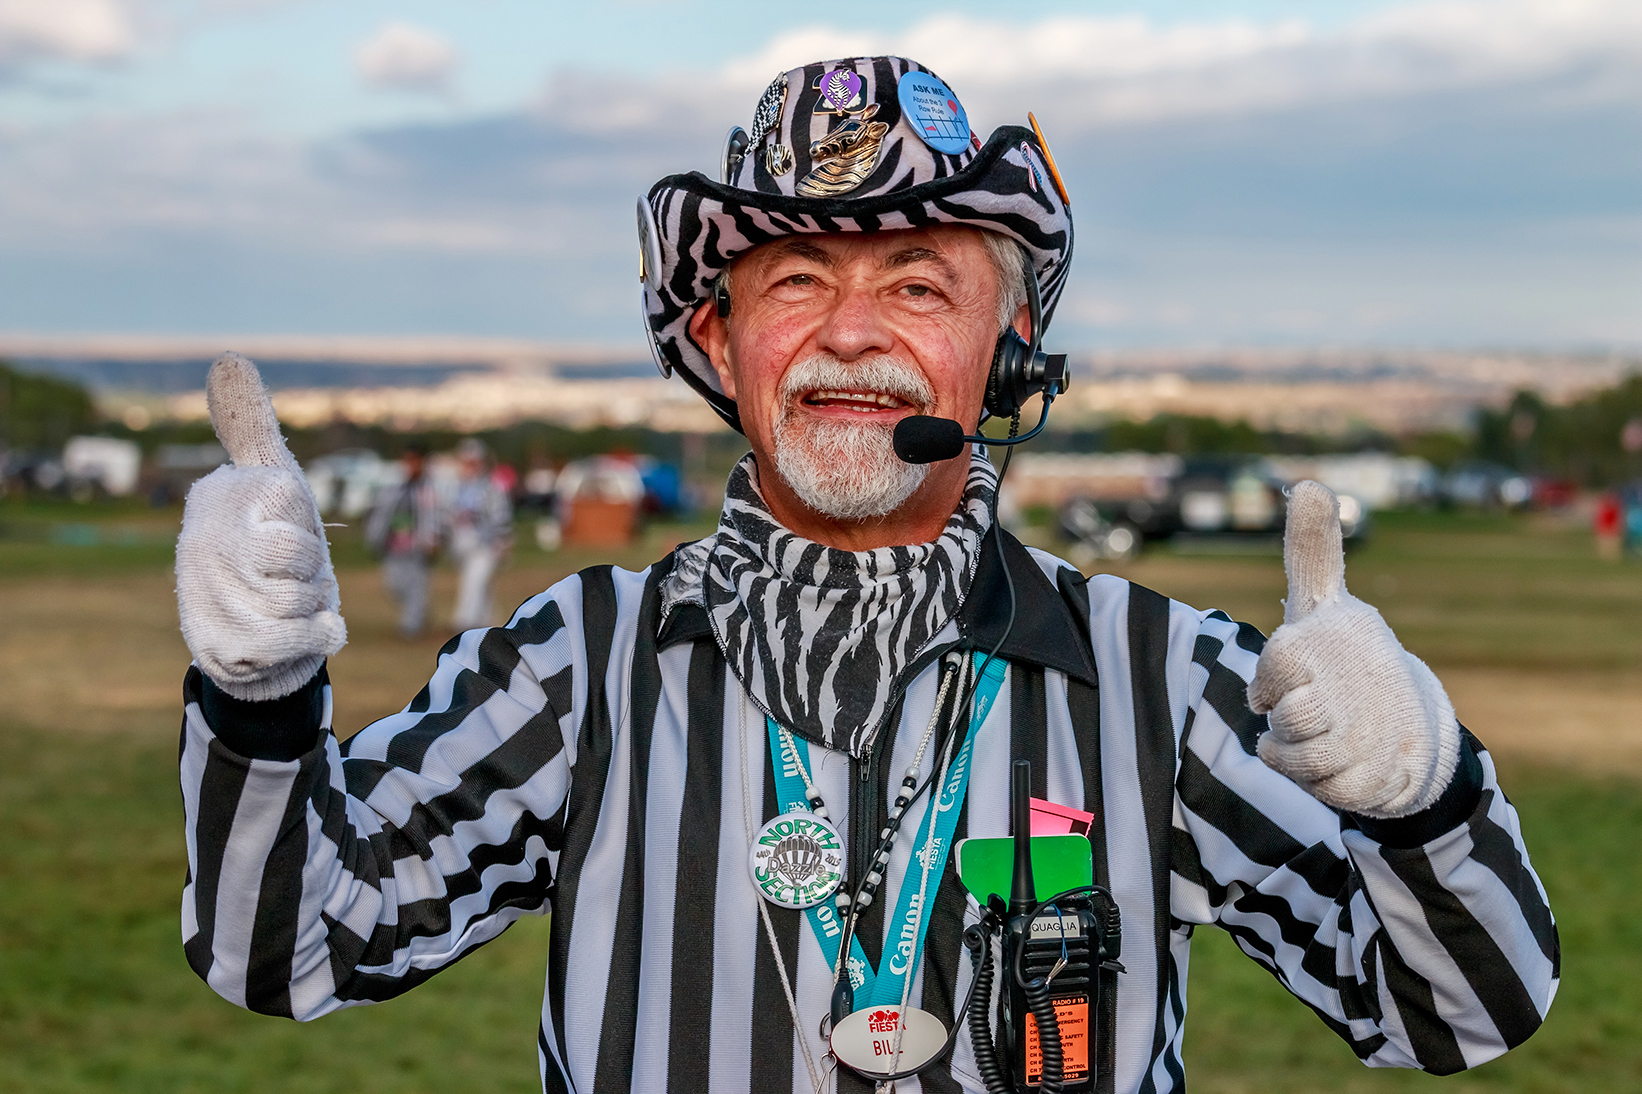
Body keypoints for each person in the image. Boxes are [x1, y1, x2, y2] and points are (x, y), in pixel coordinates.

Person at [173, 58, 1556, 1094]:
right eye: (792, 282)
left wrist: (1424, 795)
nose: (849, 334)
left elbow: (1458, 1013)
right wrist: (258, 697)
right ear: (720, 347)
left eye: (915, 283)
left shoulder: (1163, 677)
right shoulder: (573, 660)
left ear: (1004, 346)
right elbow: (288, 949)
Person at [364, 443, 441, 637]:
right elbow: (381, 516)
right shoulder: (394, 489)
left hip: (418, 548)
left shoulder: (431, 490)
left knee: (416, 587)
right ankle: (419, 613)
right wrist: (375, 538)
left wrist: (434, 540)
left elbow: (439, 518)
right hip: (394, 547)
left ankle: (411, 625)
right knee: (394, 585)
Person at [447, 437, 513, 630]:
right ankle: (487, 626)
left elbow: (501, 516)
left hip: (485, 546)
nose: (470, 466)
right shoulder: (456, 487)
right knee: (482, 587)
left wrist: (503, 542)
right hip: (461, 545)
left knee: (474, 582)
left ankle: (464, 623)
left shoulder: (492, 488)